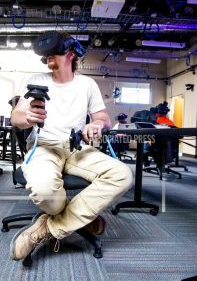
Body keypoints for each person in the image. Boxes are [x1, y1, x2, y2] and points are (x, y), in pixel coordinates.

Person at [10, 31, 133, 261]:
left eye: (54, 51)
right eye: (46, 53)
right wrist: (27, 116)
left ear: (72, 53)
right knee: (47, 193)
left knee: (123, 175)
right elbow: (16, 117)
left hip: (77, 148)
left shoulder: (87, 84)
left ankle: (46, 229)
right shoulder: (35, 80)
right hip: (44, 146)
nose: (48, 56)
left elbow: (104, 118)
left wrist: (96, 124)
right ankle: (82, 219)